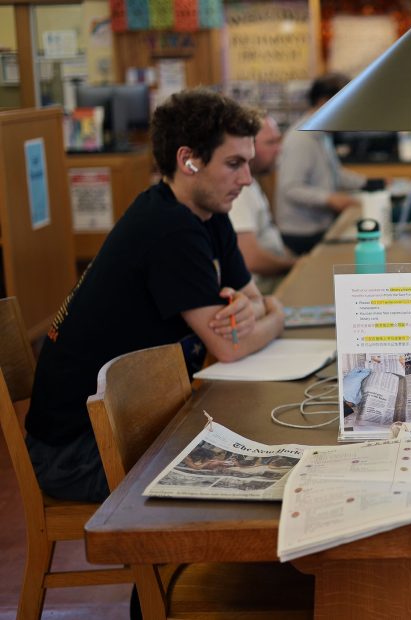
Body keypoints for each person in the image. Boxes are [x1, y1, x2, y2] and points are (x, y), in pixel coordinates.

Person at [25, 88, 287, 503]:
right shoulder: (168, 229)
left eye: (249, 163)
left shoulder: (207, 213)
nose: (247, 179)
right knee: (258, 469)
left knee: (261, 435)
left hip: (130, 420)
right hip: (78, 453)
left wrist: (256, 309)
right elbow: (230, 345)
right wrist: (277, 315)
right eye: (234, 163)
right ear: (188, 160)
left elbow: (249, 297)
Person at [276, 73, 367, 254]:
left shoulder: (321, 134)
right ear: (324, 101)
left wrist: (370, 182)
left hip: (319, 225)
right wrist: (330, 199)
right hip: (301, 233)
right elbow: (291, 188)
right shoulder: (300, 138)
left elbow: (333, 173)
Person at [228, 114, 296, 293]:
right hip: (261, 286)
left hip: (273, 277)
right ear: (247, 145)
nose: (278, 149)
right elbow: (250, 259)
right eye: (270, 142)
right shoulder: (238, 191)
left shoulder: (253, 182)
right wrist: (293, 265)